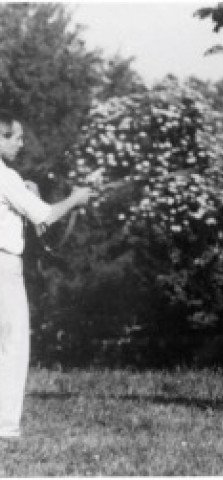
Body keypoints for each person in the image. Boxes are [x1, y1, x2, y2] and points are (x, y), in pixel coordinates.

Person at [0, 110, 95, 438]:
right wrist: (75, 198)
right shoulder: (5, 176)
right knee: (12, 345)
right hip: (4, 268)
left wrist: (26, 194)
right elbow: (46, 217)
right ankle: (6, 426)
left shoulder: (10, 179)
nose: (21, 144)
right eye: (16, 138)